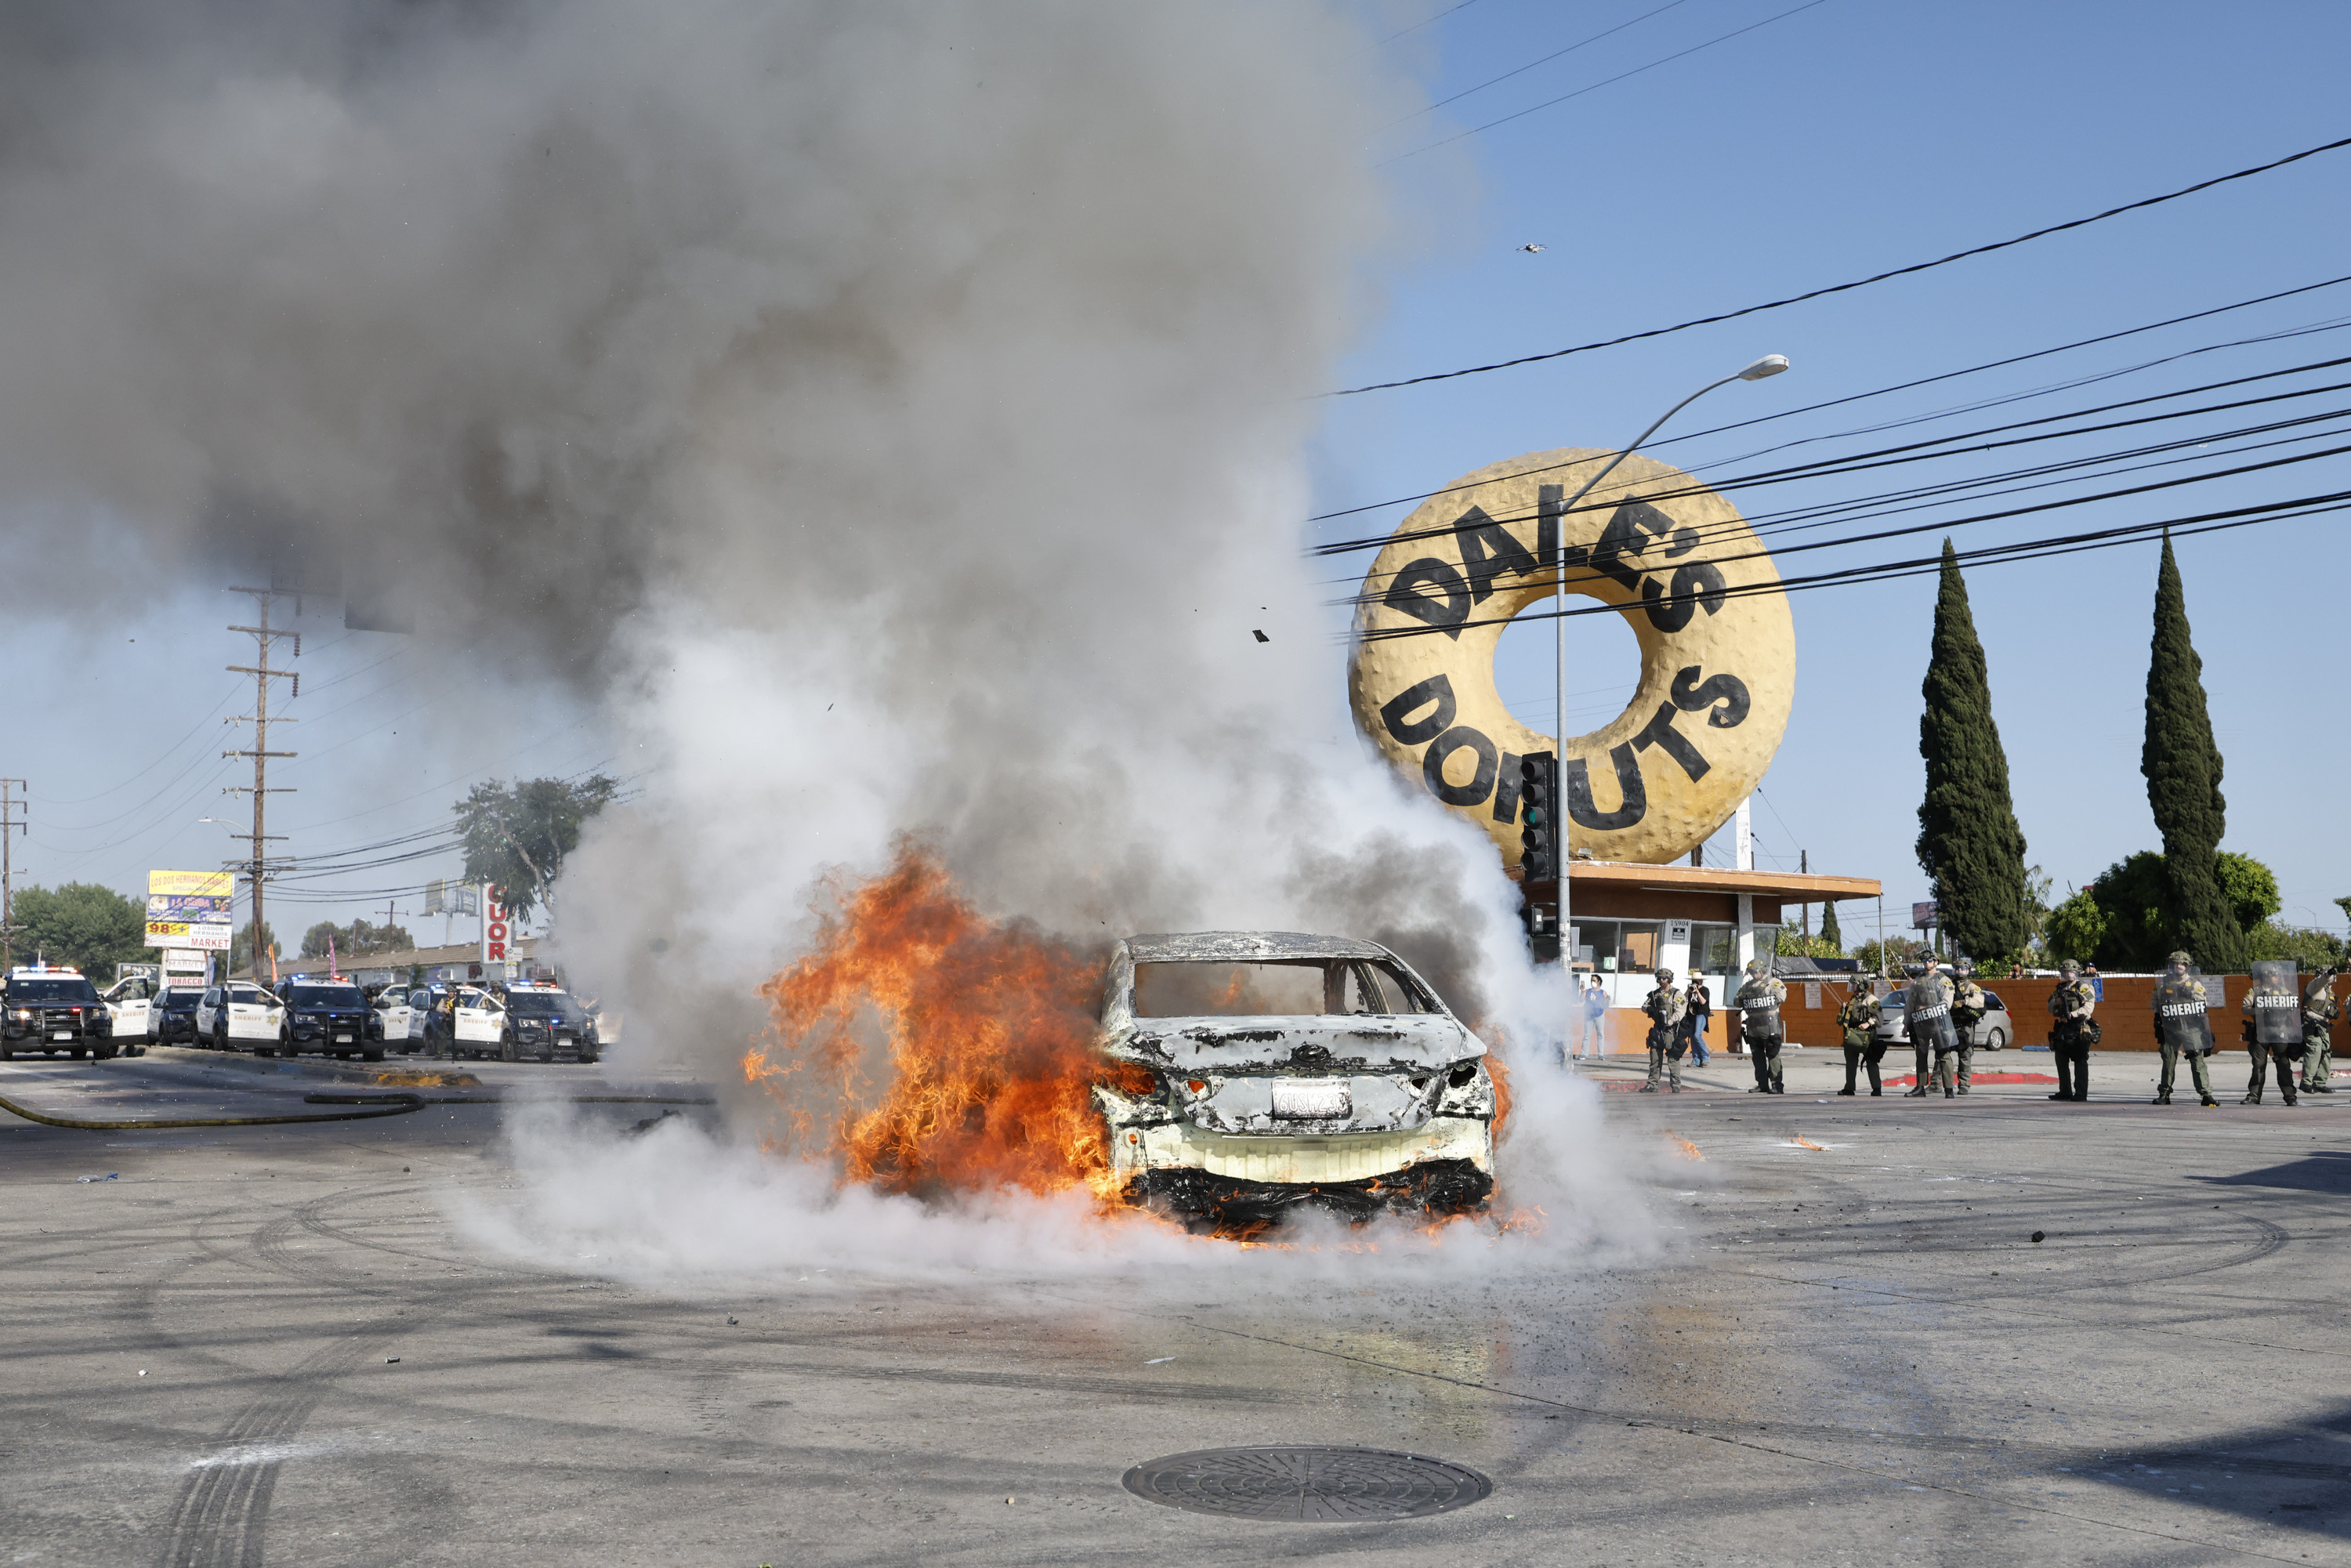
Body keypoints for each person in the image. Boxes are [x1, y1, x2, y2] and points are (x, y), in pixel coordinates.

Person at [2150, 950, 2218, 1107]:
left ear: (2187, 966)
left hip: (2190, 1026)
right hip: (2170, 1027)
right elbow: (2156, 1001)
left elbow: (2202, 1005)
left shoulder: (2194, 984)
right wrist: (2156, 1017)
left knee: (2197, 1060)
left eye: (2182, 963)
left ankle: (2206, 1094)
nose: (2178, 966)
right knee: (2168, 1060)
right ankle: (2164, 1093)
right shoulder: (2163, 982)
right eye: (2175, 963)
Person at [2242, 965, 2301, 1107]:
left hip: (2280, 1030)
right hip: (2261, 1031)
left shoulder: (2283, 991)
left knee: (2283, 1064)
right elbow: (2245, 1008)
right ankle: (2254, 1095)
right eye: (2274, 975)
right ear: (2264, 976)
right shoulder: (2255, 991)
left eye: (2277, 975)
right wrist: (2260, 1011)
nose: (2277, 977)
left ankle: (2290, 1096)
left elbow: (2293, 1005)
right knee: (2258, 1064)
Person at [1904, 961, 1960, 1098]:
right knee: (1921, 1055)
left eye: (1930, 960)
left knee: (1944, 1055)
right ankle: (1920, 1087)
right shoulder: (1919, 981)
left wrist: (1928, 1008)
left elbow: (1947, 1003)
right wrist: (1906, 1023)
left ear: (1936, 962)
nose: (1927, 963)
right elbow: (1910, 1003)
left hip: (1938, 1022)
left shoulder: (1943, 980)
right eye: (1924, 961)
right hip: (1921, 1023)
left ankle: (1948, 1089)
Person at [1733, 958, 1788, 1094]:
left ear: (1761, 970)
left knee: (1773, 1055)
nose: (1753, 974)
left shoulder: (1773, 983)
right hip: (1753, 1027)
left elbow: (1782, 996)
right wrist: (1742, 998)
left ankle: (1777, 1085)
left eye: (1754, 971)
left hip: (1769, 1025)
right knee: (1757, 1058)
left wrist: (1761, 1000)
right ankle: (1762, 1084)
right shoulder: (1747, 986)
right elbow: (1736, 1001)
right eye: (1751, 972)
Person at [2046, 959, 2097, 1101]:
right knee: (2061, 1059)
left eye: (2070, 971)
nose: (2068, 974)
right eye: (2065, 972)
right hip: (2064, 1029)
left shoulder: (2084, 988)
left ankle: (2081, 1093)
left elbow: (2088, 1009)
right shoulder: (2060, 989)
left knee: (2080, 1060)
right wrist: (2056, 1003)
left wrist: (2072, 1014)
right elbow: (2049, 1007)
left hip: (2079, 1028)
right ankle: (2065, 1091)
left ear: (2076, 972)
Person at [1641, 967, 1688, 1092]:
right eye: (1660, 978)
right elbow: (1644, 1006)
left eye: (1664, 978)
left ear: (1669, 979)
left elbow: (1680, 1011)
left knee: (1673, 1058)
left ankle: (1676, 1085)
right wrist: (1650, 1009)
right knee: (1655, 1057)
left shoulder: (1676, 994)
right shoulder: (1654, 994)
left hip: (1671, 1030)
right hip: (1657, 1030)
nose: (1662, 980)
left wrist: (1669, 1021)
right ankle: (1652, 1084)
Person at [1837, 976, 1885, 1096]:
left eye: (1854, 984)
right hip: (1853, 1035)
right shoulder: (1854, 999)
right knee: (1850, 1062)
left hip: (1868, 1036)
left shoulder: (1871, 999)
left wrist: (1868, 1023)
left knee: (1871, 1061)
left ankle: (1876, 1088)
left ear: (1861, 985)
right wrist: (1844, 1009)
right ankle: (1849, 1088)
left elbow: (1879, 1017)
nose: (1852, 987)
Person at [2301, 960, 2342, 1095]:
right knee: (2315, 1050)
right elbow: (2321, 980)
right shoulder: (2314, 986)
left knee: (2325, 1052)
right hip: (2311, 1024)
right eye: (2331, 975)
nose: (2333, 978)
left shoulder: (2328, 991)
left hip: (2323, 1027)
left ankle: (2319, 1083)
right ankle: (2306, 1082)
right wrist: (2327, 974)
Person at [1949, 958, 1987, 1096]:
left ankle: (1964, 1084)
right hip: (1950, 1023)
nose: (1960, 971)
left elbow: (1980, 1001)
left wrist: (1965, 1001)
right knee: (1943, 1053)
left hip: (1965, 1024)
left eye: (1963, 968)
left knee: (1965, 1055)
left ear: (1968, 971)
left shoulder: (1971, 986)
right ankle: (1936, 1084)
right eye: (1958, 968)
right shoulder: (1950, 985)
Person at [1682, 975, 1712, 1067]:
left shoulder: (1705, 990)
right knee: (1692, 1036)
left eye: (1697, 980)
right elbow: (1683, 1001)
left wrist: (1697, 992)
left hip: (1701, 1014)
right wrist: (1688, 990)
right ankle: (1696, 1060)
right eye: (1694, 980)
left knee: (1697, 1035)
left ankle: (1705, 1057)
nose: (1695, 982)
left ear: (1701, 981)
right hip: (1691, 1014)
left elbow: (1703, 1002)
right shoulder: (1691, 990)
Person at [1578, 973, 1608, 1059]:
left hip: (1600, 1015)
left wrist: (1607, 1000)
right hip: (1589, 1015)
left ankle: (1601, 1054)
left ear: (1599, 982)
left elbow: (1606, 1005)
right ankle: (1584, 1054)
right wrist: (1582, 991)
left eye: (1594, 980)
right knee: (1587, 1035)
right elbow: (1581, 1000)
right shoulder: (1587, 991)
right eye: (1591, 981)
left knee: (1600, 1035)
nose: (1592, 982)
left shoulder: (1603, 992)